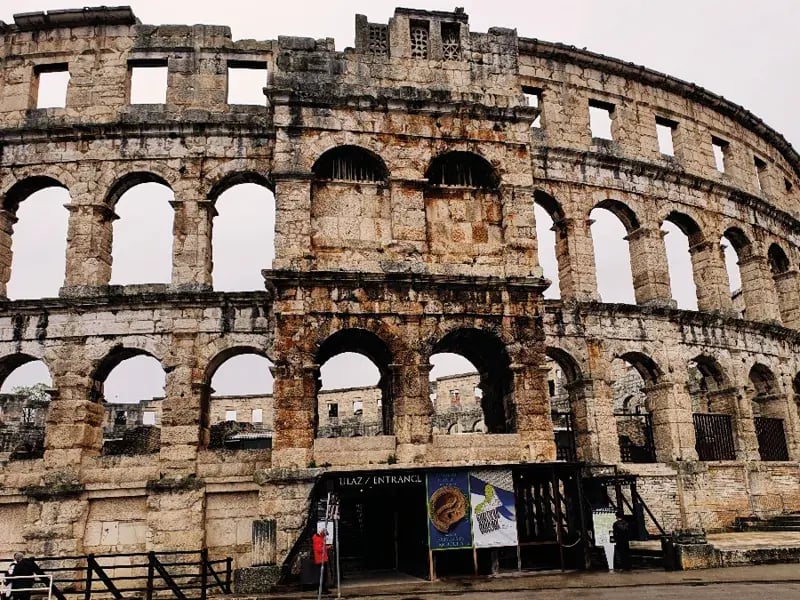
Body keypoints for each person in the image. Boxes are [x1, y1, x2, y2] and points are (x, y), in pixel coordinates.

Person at [311, 527, 331, 594]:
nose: (325, 536)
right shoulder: (317, 539)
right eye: (325, 534)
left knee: (324, 575)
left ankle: (324, 589)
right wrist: (327, 547)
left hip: (322, 559)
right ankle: (321, 590)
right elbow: (319, 549)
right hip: (320, 559)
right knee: (322, 575)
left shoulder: (319, 538)